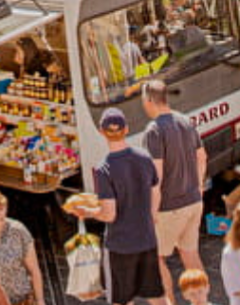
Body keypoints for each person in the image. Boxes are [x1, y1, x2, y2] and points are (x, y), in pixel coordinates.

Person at [73, 107, 165, 305]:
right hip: (147, 239)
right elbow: (156, 192)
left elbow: (109, 215)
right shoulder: (144, 157)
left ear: (101, 132)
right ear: (126, 129)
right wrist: (150, 218)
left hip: (120, 247)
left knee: (121, 300)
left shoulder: (104, 169)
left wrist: (87, 211)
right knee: (156, 296)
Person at [142, 79, 206, 304]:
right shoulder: (186, 121)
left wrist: (151, 212)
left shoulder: (154, 131)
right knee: (190, 254)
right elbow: (202, 157)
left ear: (150, 101)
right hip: (193, 202)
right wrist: (198, 188)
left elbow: (156, 178)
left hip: (170, 207)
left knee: (155, 259)